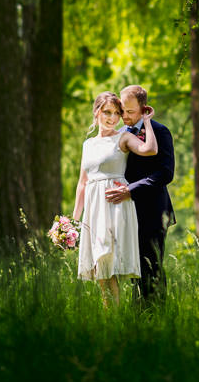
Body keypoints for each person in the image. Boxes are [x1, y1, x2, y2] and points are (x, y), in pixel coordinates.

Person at [72, 91, 157, 305]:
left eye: (116, 113)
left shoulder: (123, 137)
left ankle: (117, 318)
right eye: (107, 112)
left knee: (108, 260)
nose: (112, 118)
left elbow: (150, 149)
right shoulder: (88, 144)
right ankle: (111, 319)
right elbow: (82, 182)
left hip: (115, 205)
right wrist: (74, 220)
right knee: (102, 267)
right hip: (93, 209)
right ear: (97, 112)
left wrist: (147, 121)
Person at [105, 85, 175, 305]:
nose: (124, 116)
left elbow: (165, 172)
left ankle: (153, 316)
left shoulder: (159, 131)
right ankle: (133, 317)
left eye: (131, 112)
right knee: (131, 266)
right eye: (122, 110)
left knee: (150, 264)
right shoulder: (118, 135)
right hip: (124, 210)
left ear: (145, 110)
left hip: (152, 209)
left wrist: (131, 190)